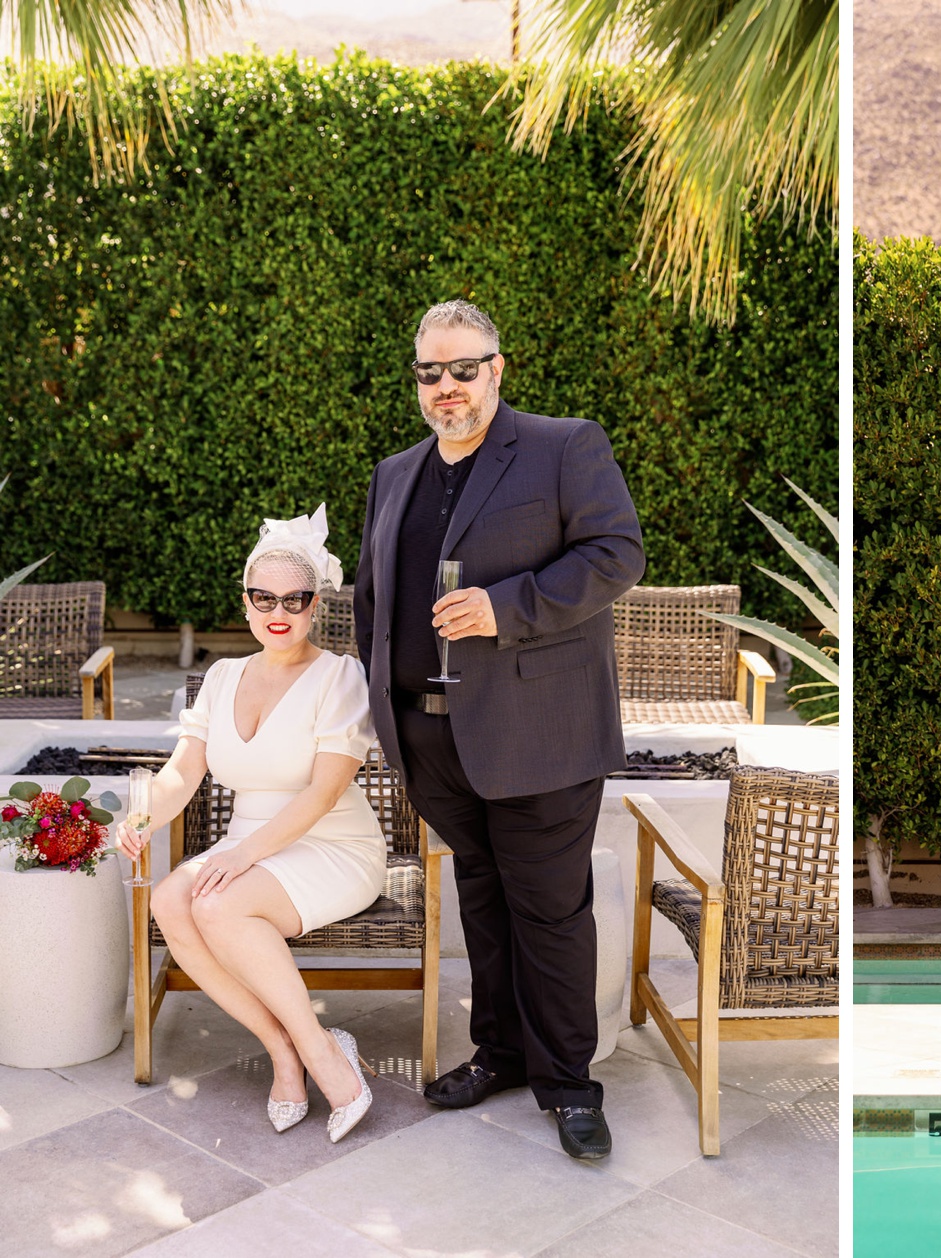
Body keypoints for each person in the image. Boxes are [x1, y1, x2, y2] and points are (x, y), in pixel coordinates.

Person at [354, 299, 644, 1161]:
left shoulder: (564, 446)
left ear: (497, 369)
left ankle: (569, 1085)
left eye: (463, 369)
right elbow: (374, 598)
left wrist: (502, 607)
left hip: (540, 733)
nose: (446, 387)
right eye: (429, 373)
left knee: (550, 913)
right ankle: (503, 1053)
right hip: (430, 737)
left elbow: (614, 554)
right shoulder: (394, 472)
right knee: (482, 896)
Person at [116, 506, 382, 1141]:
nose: (278, 609)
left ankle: (324, 1058)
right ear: (245, 602)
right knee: (173, 900)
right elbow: (182, 773)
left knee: (219, 903)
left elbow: (322, 795)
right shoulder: (222, 676)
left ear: (316, 604)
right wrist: (142, 815)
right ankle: (286, 1051)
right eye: (264, 596)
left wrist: (236, 858)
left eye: (295, 598)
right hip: (249, 849)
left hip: (333, 845)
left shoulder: (340, 675)